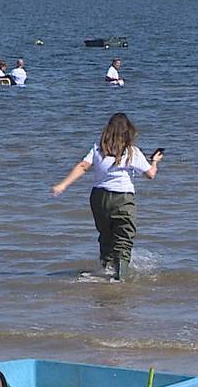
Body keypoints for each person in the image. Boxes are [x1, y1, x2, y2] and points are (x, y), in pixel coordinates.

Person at [51, 112, 163, 281]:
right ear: (128, 131)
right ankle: (120, 278)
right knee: (124, 238)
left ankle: (106, 270)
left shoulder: (98, 148)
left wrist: (63, 184)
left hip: (99, 198)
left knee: (106, 235)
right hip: (123, 199)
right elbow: (150, 175)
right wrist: (155, 161)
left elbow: (83, 166)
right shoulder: (132, 151)